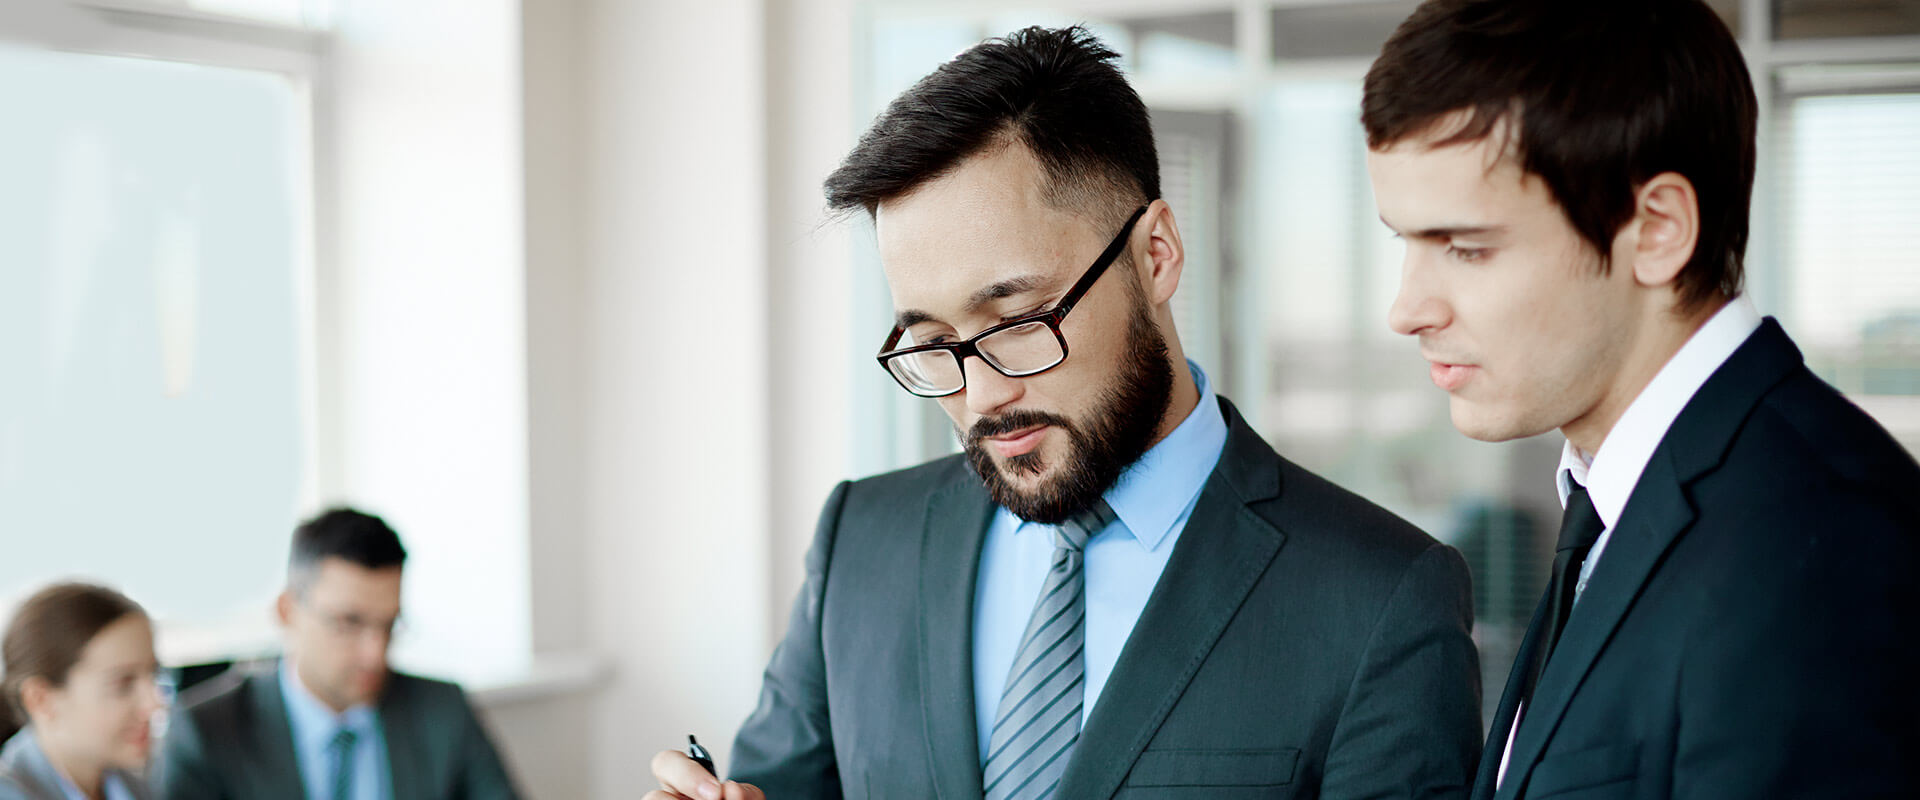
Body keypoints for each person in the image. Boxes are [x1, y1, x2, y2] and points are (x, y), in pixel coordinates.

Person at [648, 25, 1481, 800]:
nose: (981, 397)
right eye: (933, 342)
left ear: (1156, 254)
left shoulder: (1380, 597)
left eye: (1016, 323)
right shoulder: (861, 541)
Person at [1362, 1, 1920, 797]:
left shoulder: (1820, 550)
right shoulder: (1615, 505)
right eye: (1405, 241)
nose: (1407, 309)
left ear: (1656, 228)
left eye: (1465, 248)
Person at [157, 508, 522, 800]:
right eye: (349, 623)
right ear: (287, 611)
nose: (375, 654)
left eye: (388, 625)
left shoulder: (442, 709)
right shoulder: (207, 733)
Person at [0, 582, 163, 800]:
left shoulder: (131, 783)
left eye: (153, 675)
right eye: (123, 684)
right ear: (40, 700)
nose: (154, 704)